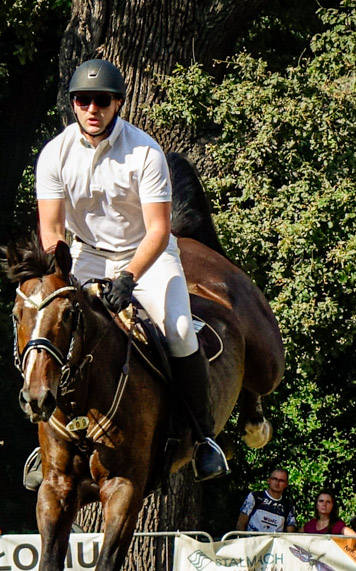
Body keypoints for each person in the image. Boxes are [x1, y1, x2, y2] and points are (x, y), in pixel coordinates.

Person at [34, 58, 228, 482]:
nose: (92, 109)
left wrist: (128, 278)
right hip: (85, 257)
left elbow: (159, 230)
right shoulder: (54, 153)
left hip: (149, 257)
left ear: (117, 102)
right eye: (83, 100)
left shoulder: (145, 151)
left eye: (101, 101)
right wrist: (58, 264)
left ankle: (204, 437)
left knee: (178, 330)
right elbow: (50, 228)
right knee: (49, 329)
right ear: (73, 104)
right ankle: (44, 442)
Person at [234, 467, 296, 532]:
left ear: (286, 484)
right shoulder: (255, 497)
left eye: (281, 481)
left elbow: (290, 532)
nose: (277, 483)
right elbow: (241, 524)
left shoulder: (288, 506)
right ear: (268, 480)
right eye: (274, 479)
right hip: (252, 540)